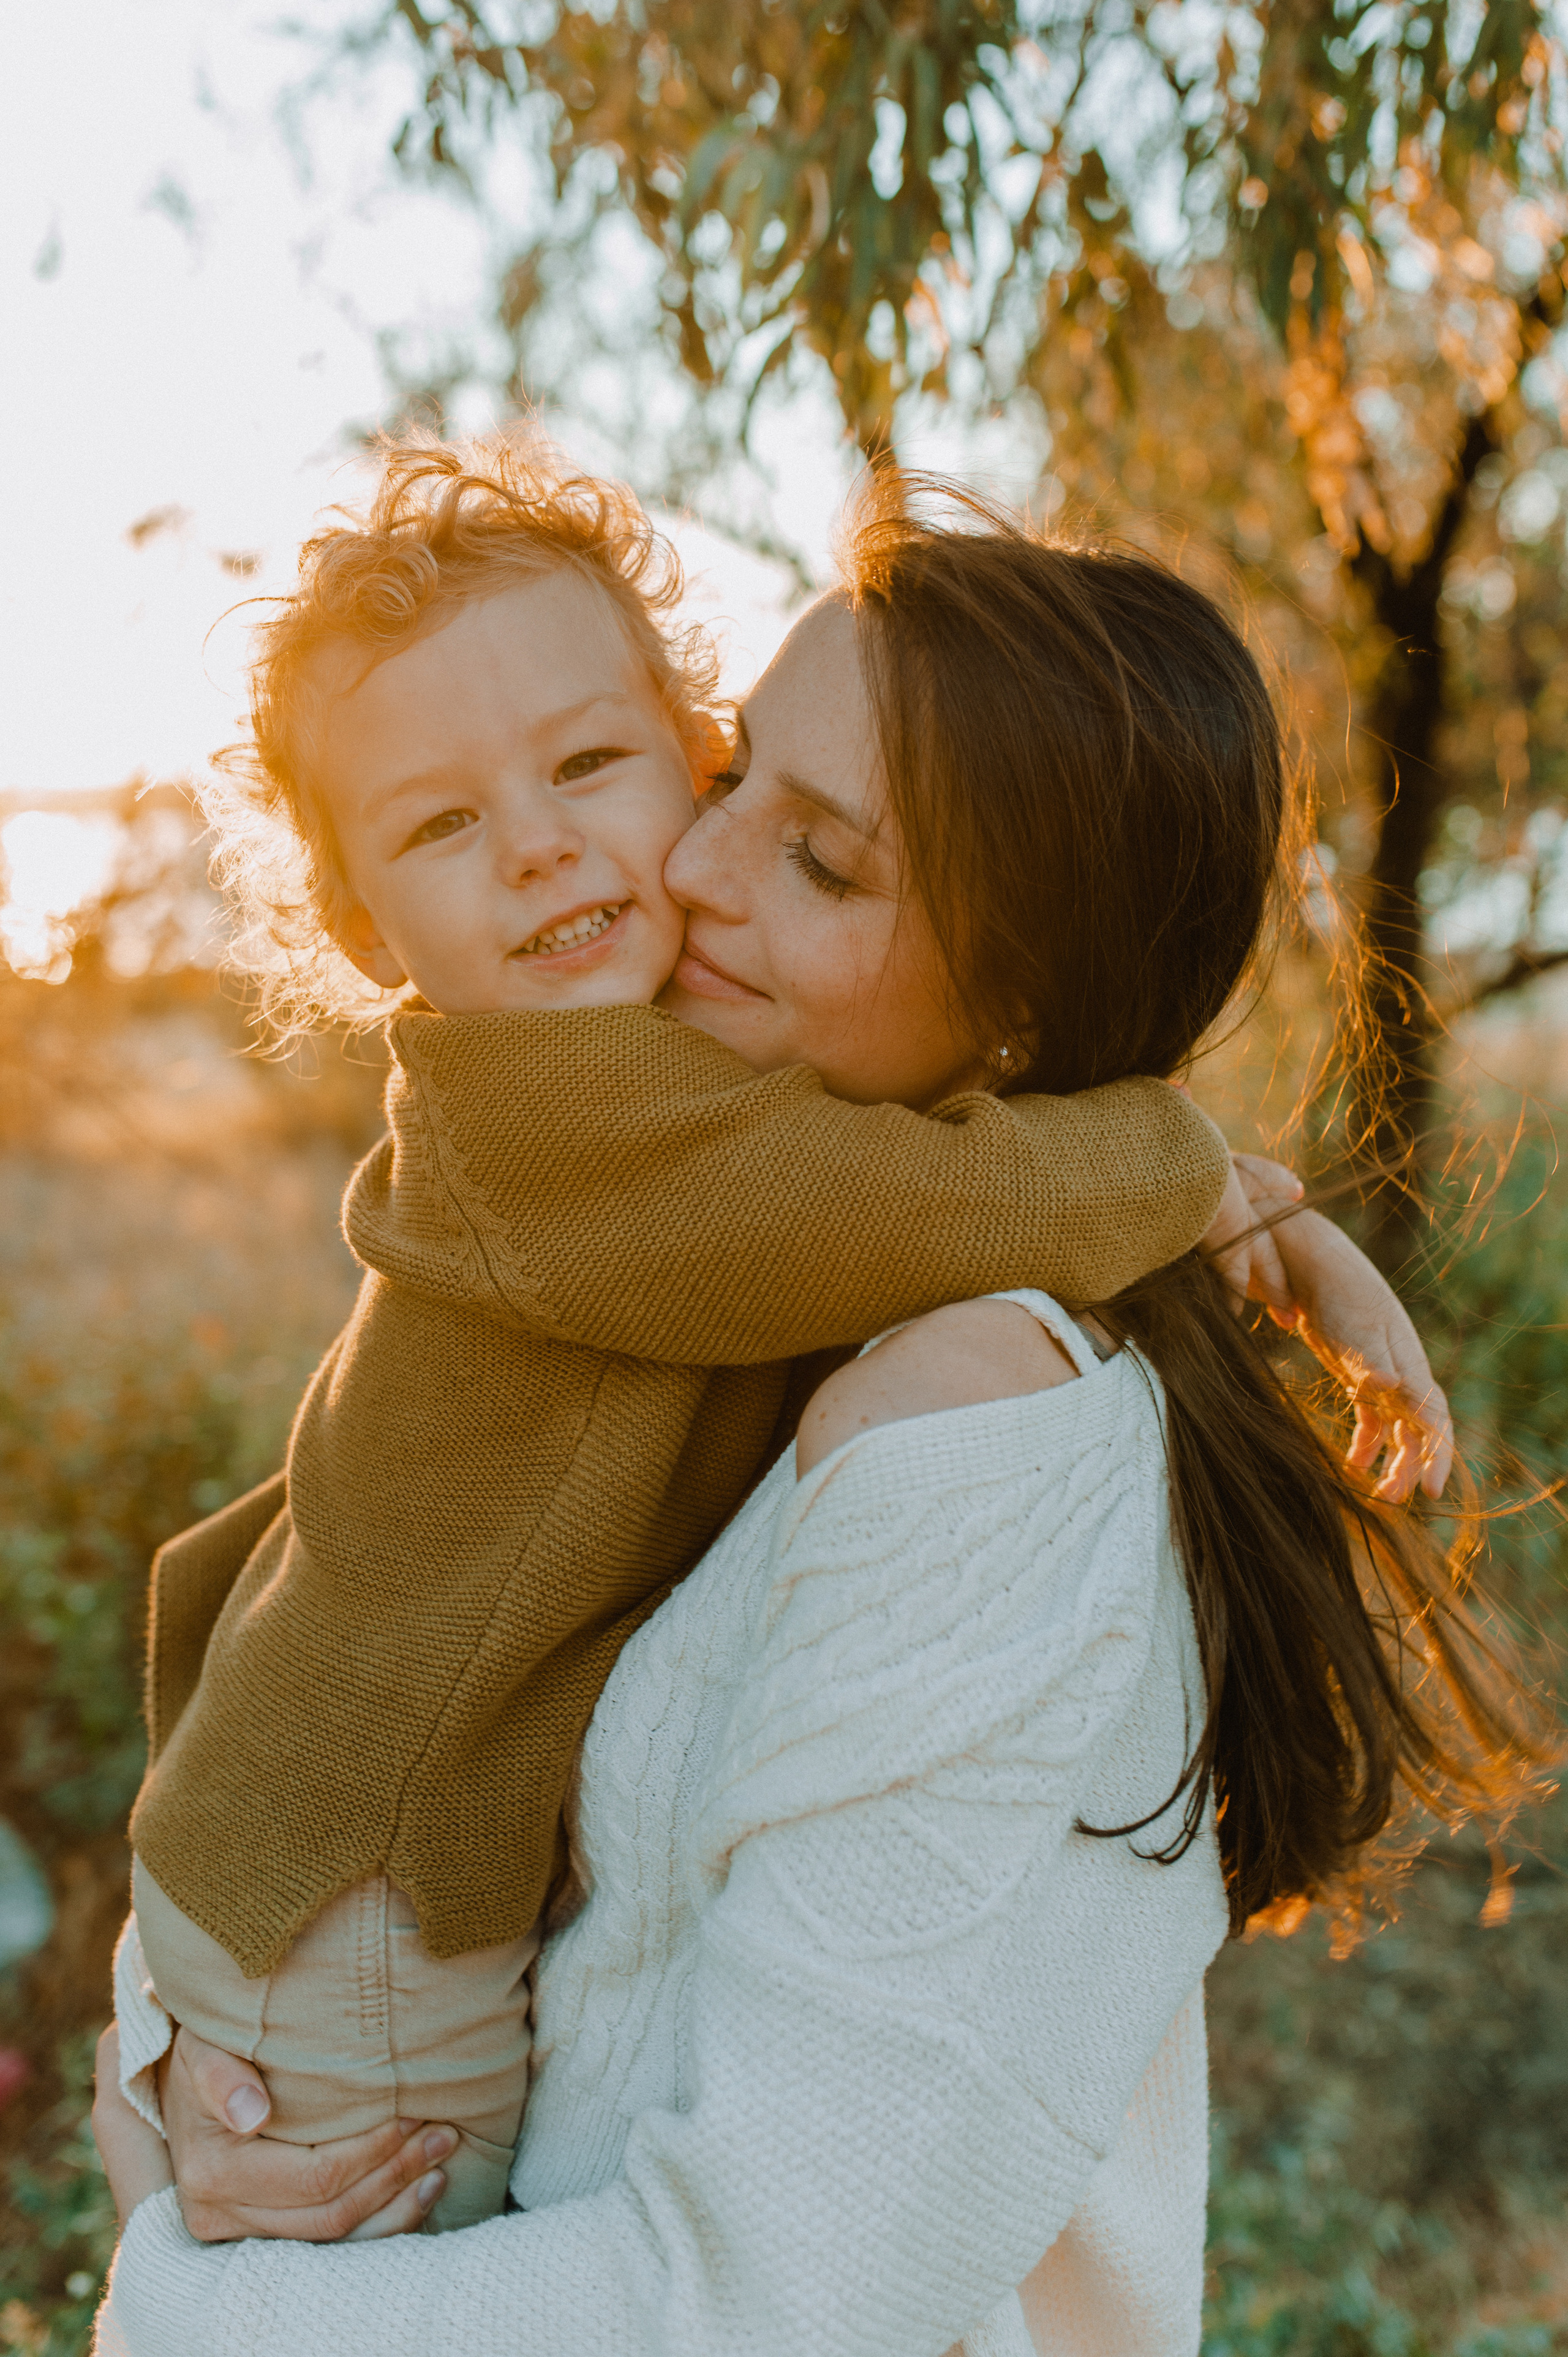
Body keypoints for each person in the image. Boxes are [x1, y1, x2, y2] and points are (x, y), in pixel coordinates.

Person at [92, 478, 1514, 2357]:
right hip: (333, 1909)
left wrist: (180, 2303)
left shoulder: (968, 1411)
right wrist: (168, 2109)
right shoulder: (594, 1130)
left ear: (1018, 1013)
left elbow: (768, 2289)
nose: (677, 869)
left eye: (817, 858)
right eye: (741, 772)